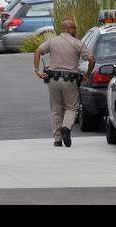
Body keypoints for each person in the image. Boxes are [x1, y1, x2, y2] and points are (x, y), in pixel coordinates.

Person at [33, 19, 95, 147]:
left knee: (56, 109)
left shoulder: (52, 41)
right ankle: (66, 128)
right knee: (72, 107)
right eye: (75, 28)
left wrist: (37, 70)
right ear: (70, 29)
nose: (76, 31)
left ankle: (57, 139)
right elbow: (91, 59)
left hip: (52, 80)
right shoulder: (78, 43)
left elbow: (38, 51)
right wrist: (88, 74)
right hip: (70, 80)